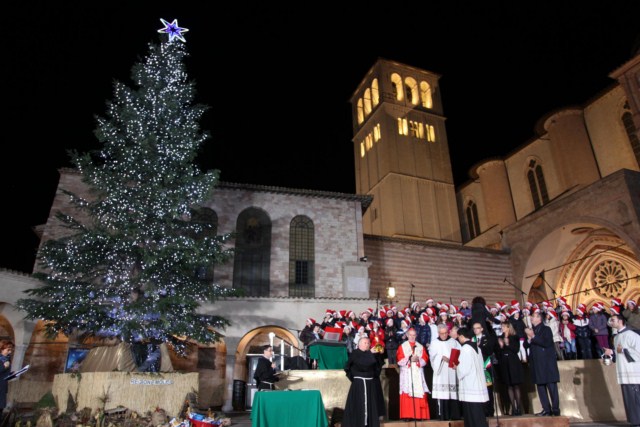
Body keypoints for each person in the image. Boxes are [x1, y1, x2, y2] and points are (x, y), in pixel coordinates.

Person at [603, 314, 640, 426]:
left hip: (633, 373)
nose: (611, 322)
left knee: (636, 398)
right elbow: (618, 353)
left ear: (620, 321)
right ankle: (635, 421)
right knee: (629, 399)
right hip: (624, 372)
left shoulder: (632, 335)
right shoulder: (616, 337)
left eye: (613, 320)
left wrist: (623, 350)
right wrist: (611, 353)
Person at [342, 336, 386, 427]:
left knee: (371, 407)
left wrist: (379, 355)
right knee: (358, 406)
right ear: (359, 344)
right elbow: (362, 364)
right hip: (359, 384)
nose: (367, 345)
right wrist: (370, 353)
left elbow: (377, 368)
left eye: (368, 343)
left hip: (370, 384)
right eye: (365, 343)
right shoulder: (355, 353)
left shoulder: (370, 353)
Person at [524, 311, 560, 416]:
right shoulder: (532, 330)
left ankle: (555, 409)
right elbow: (526, 345)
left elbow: (546, 342)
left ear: (539, 319)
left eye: (534, 316)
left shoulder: (546, 329)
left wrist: (533, 337)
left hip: (546, 363)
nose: (531, 318)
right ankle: (546, 409)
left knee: (551, 386)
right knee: (540, 387)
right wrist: (529, 339)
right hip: (536, 363)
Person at [455, 327, 489, 427]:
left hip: (470, 386)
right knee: (479, 415)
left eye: (458, 337)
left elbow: (464, 369)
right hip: (478, 384)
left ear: (461, 336)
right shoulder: (477, 347)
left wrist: (456, 367)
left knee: (472, 416)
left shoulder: (465, 349)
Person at [396, 328, 431, 420]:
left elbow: (425, 358)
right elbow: (399, 360)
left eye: (414, 335)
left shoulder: (420, 346)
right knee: (408, 391)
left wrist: (418, 360)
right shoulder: (402, 346)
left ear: (416, 336)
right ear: (407, 335)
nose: (412, 337)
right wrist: (409, 359)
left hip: (418, 371)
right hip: (407, 372)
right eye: (410, 335)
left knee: (419, 390)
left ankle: (420, 415)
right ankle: (408, 415)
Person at [429, 323, 461, 420]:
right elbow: (432, 358)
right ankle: (443, 416)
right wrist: (441, 358)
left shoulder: (453, 342)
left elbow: (460, 353)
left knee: (452, 393)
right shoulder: (434, 343)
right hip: (440, 371)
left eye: (446, 333)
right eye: (442, 333)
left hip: (451, 370)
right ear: (438, 333)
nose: (444, 335)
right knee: (443, 394)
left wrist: (451, 360)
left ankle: (454, 415)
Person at [497, 322, 524, 415]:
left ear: (509, 327)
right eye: (502, 327)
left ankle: (519, 407)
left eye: (504, 327)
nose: (502, 328)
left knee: (516, 385)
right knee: (509, 385)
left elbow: (516, 349)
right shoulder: (500, 337)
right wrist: (501, 347)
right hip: (505, 362)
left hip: (513, 362)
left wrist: (508, 344)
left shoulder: (514, 337)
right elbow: (499, 352)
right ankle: (513, 407)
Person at [472, 321, 497, 417]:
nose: (475, 330)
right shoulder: (472, 339)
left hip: (486, 365)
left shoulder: (487, 338)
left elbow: (489, 350)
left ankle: (490, 411)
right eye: (474, 328)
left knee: (488, 389)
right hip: (477, 367)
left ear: (482, 329)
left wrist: (480, 346)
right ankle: (482, 411)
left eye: (477, 328)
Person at [0, 340, 14, 411]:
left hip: (2, 388)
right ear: (2, 349)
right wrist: (4, 367)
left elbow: (4, 375)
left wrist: (13, 374)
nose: (10, 352)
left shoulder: (7, 360)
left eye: (11, 350)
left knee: (1, 409)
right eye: (8, 350)